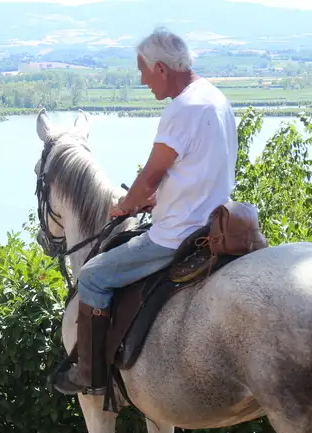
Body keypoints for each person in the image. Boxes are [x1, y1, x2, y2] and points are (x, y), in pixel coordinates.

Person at [53, 28, 238, 395]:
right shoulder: (216, 98)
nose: (142, 81)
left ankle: (90, 375)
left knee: (92, 275)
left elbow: (152, 174)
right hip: (218, 220)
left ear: (161, 68)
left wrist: (126, 204)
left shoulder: (181, 109)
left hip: (177, 233)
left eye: (144, 72)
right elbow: (199, 169)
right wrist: (165, 197)